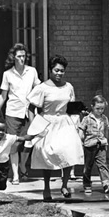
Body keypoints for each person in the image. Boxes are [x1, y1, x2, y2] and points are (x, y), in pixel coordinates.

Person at [27, 54, 84, 200]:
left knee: (69, 150)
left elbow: (71, 107)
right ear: (50, 70)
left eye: (62, 71)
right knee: (48, 153)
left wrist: (77, 117)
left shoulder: (68, 87)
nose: (59, 73)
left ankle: (64, 185)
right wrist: (35, 126)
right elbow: (30, 107)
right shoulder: (42, 88)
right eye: (56, 70)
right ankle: (46, 188)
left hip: (64, 122)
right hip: (48, 122)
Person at [0, 43, 41, 185]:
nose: (22, 59)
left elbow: (39, 87)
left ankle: (22, 165)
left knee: (28, 142)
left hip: (28, 112)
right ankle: (15, 175)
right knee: (13, 144)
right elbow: (3, 95)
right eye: (19, 56)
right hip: (13, 112)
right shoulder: (7, 74)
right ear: (13, 57)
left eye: (24, 56)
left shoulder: (32, 71)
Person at [0, 118, 34, 208]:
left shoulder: (9, 138)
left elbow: (23, 138)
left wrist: (33, 136)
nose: (0, 132)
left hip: (4, 164)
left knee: (2, 185)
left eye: (2, 130)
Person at [78, 95, 109, 194]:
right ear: (92, 107)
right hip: (90, 145)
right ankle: (87, 184)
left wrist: (106, 141)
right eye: (97, 108)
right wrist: (81, 141)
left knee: (103, 165)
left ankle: (106, 183)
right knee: (88, 166)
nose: (100, 111)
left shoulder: (104, 119)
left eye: (102, 109)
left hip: (101, 144)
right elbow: (81, 130)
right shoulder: (87, 118)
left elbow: (106, 131)